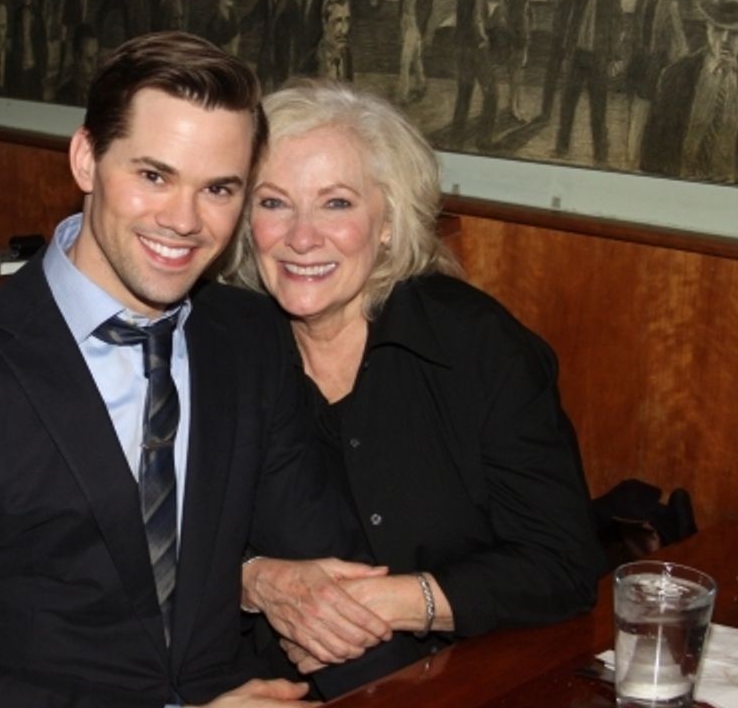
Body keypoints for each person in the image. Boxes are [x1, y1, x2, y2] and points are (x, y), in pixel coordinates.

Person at [0, 33, 375, 707]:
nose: (184, 220)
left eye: (219, 188)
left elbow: (320, 559)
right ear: (86, 159)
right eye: (154, 175)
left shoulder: (249, 337)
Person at [224, 80, 606, 699]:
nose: (300, 236)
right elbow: (152, 540)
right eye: (273, 203)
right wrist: (258, 582)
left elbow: (561, 564)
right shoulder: (218, 347)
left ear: (387, 222)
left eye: (337, 204)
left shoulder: (476, 347)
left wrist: (387, 603)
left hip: (461, 678)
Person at [640, 0, 738, 182]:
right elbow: (652, 155)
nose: (726, 41)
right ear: (708, 26)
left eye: (735, 32)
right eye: (719, 29)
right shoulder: (674, 76)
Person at [556, 0, 623, 164]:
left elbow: (617, 29)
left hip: (598, 59)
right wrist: (567, 54)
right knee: (568, 104)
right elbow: (571, 24)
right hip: (577, 56)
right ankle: (562, 146)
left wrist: (615, 57)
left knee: (598, 108)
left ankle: (600, 153)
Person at [625, 0, 687, 168]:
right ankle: (631, 161)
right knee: (636, 113)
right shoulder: (641, 1)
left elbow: (680, 43)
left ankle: (646, 162)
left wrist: (673, 70)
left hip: (659, 67)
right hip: (640, 65)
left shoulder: (670, 5)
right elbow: (633, 33)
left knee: (654, 118)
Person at [451, 0, 497, 148]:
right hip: (476, 47)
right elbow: (477, 18)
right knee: (492, 92)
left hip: (462, 47)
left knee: (464, 92)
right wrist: (484, 38)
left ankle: (457, 135)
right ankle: (484, 138)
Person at [498, 0, 533, 122]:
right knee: (515, 71)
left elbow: (527, 6)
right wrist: (509, 30)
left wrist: (529, 26)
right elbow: (503, 8)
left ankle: (515, 104)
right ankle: (513, 108)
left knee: (520, 70)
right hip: (513, 30)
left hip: (524, 27)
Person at [397, 0, 433, 104]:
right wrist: (400, 19)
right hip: (405, 19)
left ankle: (402, 95)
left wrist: (421, 25)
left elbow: (428, 3)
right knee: (416, 56)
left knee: (405, 60)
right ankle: (422, 83)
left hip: (415, 21)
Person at [301, 0, 354, 81]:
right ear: (324, 23)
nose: (344, 30)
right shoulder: (310, 62)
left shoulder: (347, 56)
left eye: (347, 20)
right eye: (338, 21)